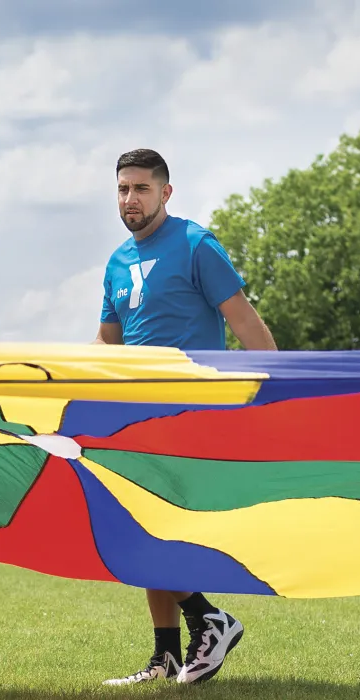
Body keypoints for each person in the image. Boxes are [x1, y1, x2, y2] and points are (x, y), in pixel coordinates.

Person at [94, 149, 276, 686]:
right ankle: (167, 656)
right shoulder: (116, 263)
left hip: (192, 416)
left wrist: (272, 396)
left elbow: (247, 324)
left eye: (142, 189)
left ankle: (210, 619)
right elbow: (106, 343)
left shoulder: (197, 244)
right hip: (135, 417)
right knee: (140, 523)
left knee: (142, 528)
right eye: (124, 189)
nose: (131, 199)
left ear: (166, 193)